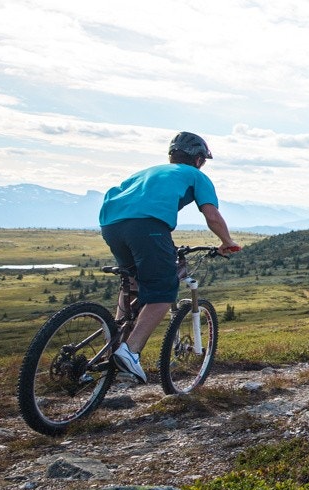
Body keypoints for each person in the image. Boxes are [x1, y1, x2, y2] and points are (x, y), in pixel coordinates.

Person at [98, 131, 241, 383]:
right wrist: (227, 242)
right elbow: (212, 216)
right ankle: (130, 352)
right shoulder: (196, 175)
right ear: (198, 159)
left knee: (132, 283)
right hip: (147, 226)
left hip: (110, 225)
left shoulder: (147, 172)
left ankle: (112, 348)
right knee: (164, 290)